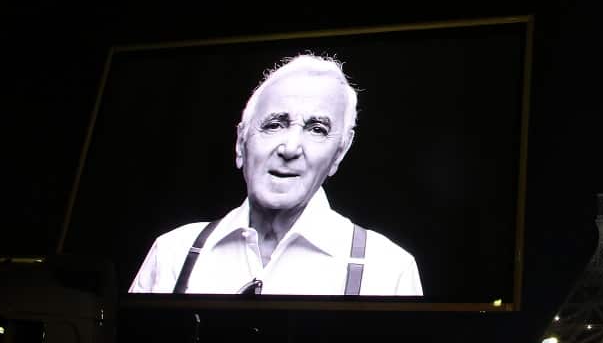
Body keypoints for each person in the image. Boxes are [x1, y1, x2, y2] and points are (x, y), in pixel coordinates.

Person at [129, 53, 422, 296]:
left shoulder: (387, 269)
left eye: (317, 129)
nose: (290, 148)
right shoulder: (173, 253)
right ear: (240, 143)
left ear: (339, 155)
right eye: (274, 125)